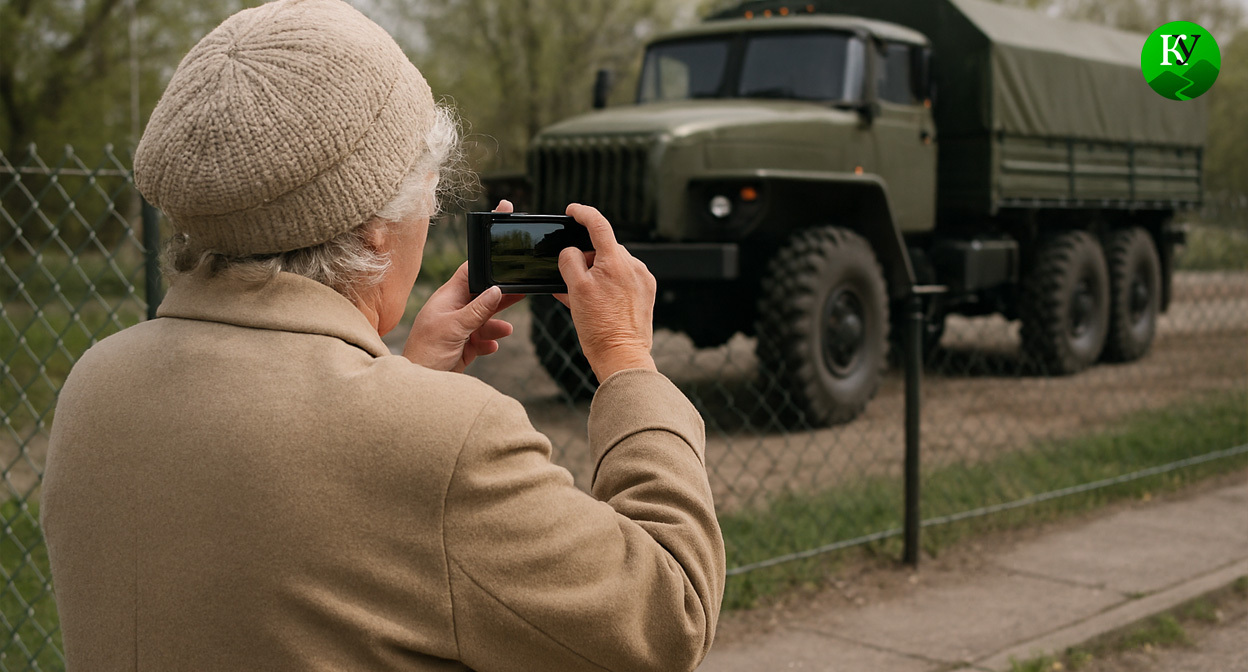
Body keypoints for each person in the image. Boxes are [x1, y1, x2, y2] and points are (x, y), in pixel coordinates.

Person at [39, 0, 725, 670]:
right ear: (374, 226)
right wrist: (627, 358)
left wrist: (410, 380)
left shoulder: (97, 385)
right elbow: (669, 615)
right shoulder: (447, 440)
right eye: (430, 189)